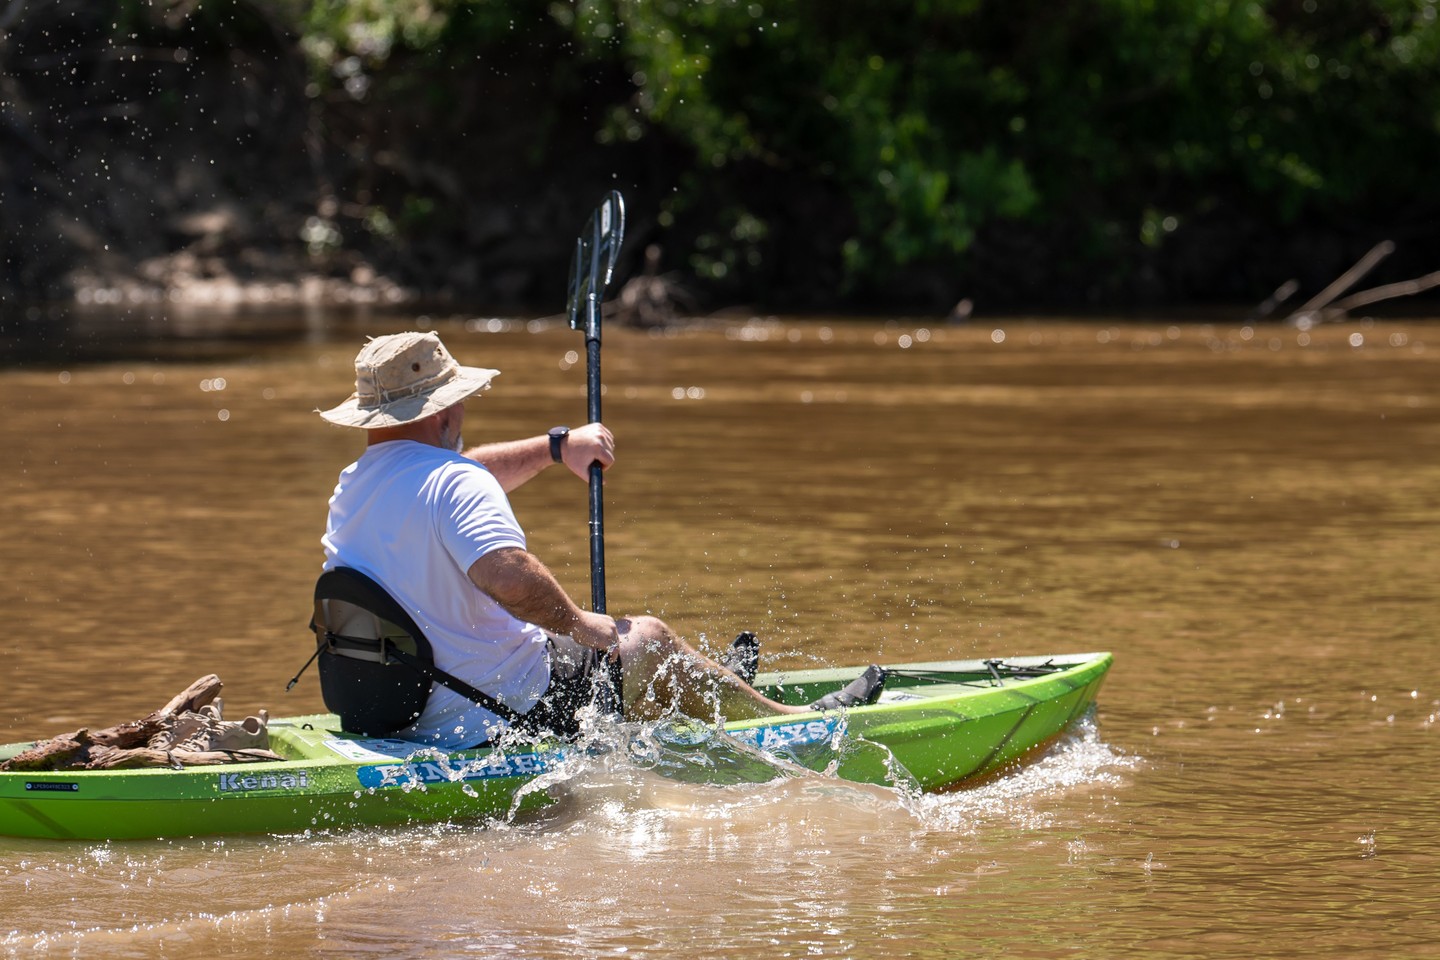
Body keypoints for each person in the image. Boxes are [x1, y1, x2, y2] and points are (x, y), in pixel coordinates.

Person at [318, 330, 883, 749]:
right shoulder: (454, 483)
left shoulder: (354, 488)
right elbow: (507, 575)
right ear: (445, 408)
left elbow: (459, 477)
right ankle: (782, 719)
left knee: (627, 654)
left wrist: (557, 447)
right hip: (492, 711)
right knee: (643, 637)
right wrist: (579, 624)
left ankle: (699, 686)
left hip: (403, 707)